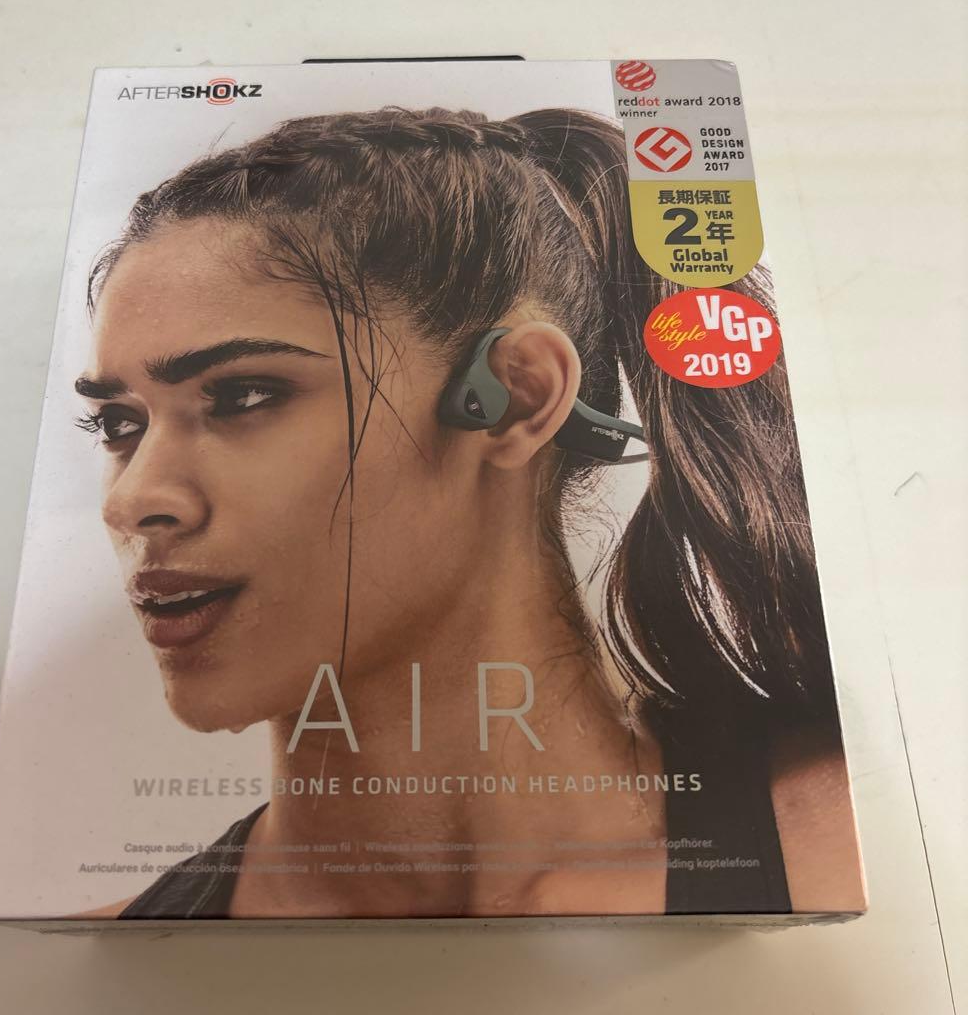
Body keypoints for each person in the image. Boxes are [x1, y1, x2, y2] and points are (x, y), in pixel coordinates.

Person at [71, 106, 864, 919]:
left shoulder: (838, 844)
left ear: (517, 398)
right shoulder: (121, 951)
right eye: (119, 424)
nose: (131, 501)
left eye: (243, 395)